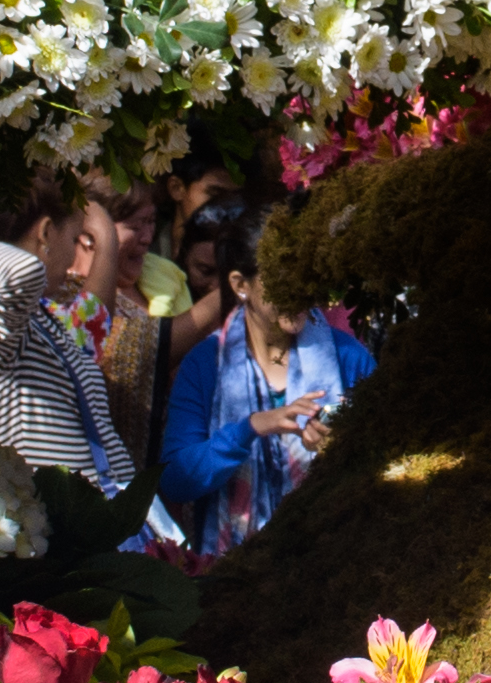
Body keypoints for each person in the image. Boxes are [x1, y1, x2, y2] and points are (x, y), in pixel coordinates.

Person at [0, 173, 146, 559]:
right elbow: (22, 273)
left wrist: (106, 240)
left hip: (91, 537)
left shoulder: (41, 320)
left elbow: (91, 322)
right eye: (71, 240)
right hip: (47, 548)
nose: (71, 260)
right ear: (47, 233)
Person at [152, 234, 368, 550]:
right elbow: (175, 480)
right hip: (231, 573)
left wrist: (340, 445)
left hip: (338, 558)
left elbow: (392, 454)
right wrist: (250, 428)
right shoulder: (204, 365)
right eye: (283, 281)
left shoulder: (348, 356)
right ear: (241, 285)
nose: (301, 293)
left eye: (307, 279)